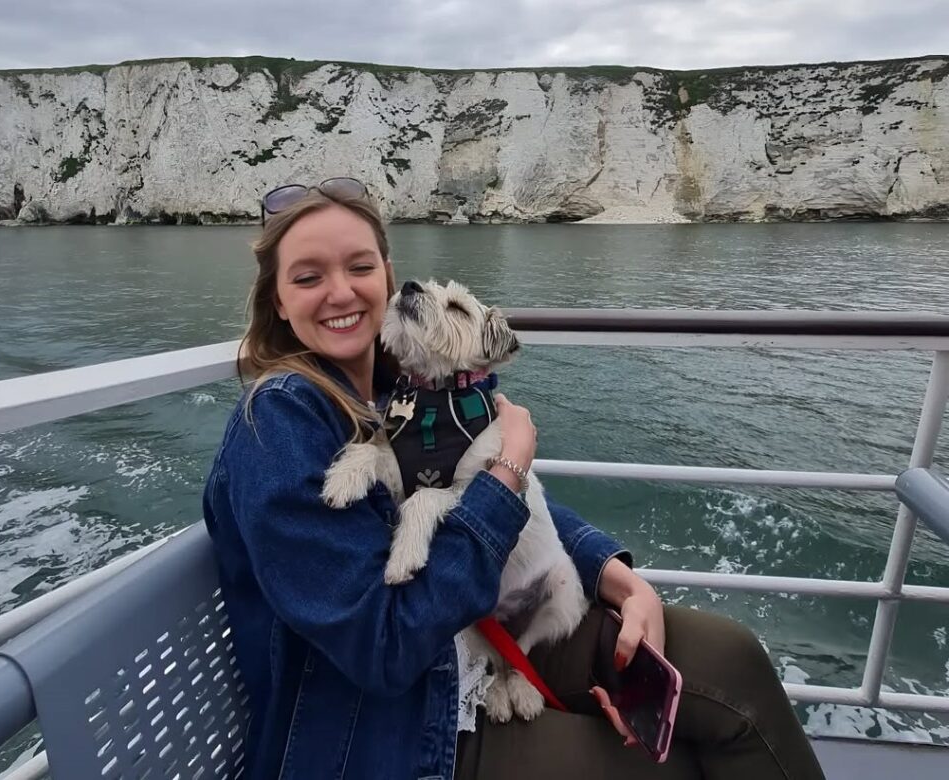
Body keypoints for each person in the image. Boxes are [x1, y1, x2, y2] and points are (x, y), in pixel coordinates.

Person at [202, 177, 827, 780]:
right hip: (392, 726)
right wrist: (508, 468)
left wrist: (613, 574)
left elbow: (515, 507)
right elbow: (383, 647)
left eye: (360, 267)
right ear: (278, 300)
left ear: (388, 279)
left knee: (734, 661)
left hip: (484, 628)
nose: (340, 292)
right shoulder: (282, 418)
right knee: (676, 764)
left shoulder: (407, 391)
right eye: (308, 277)